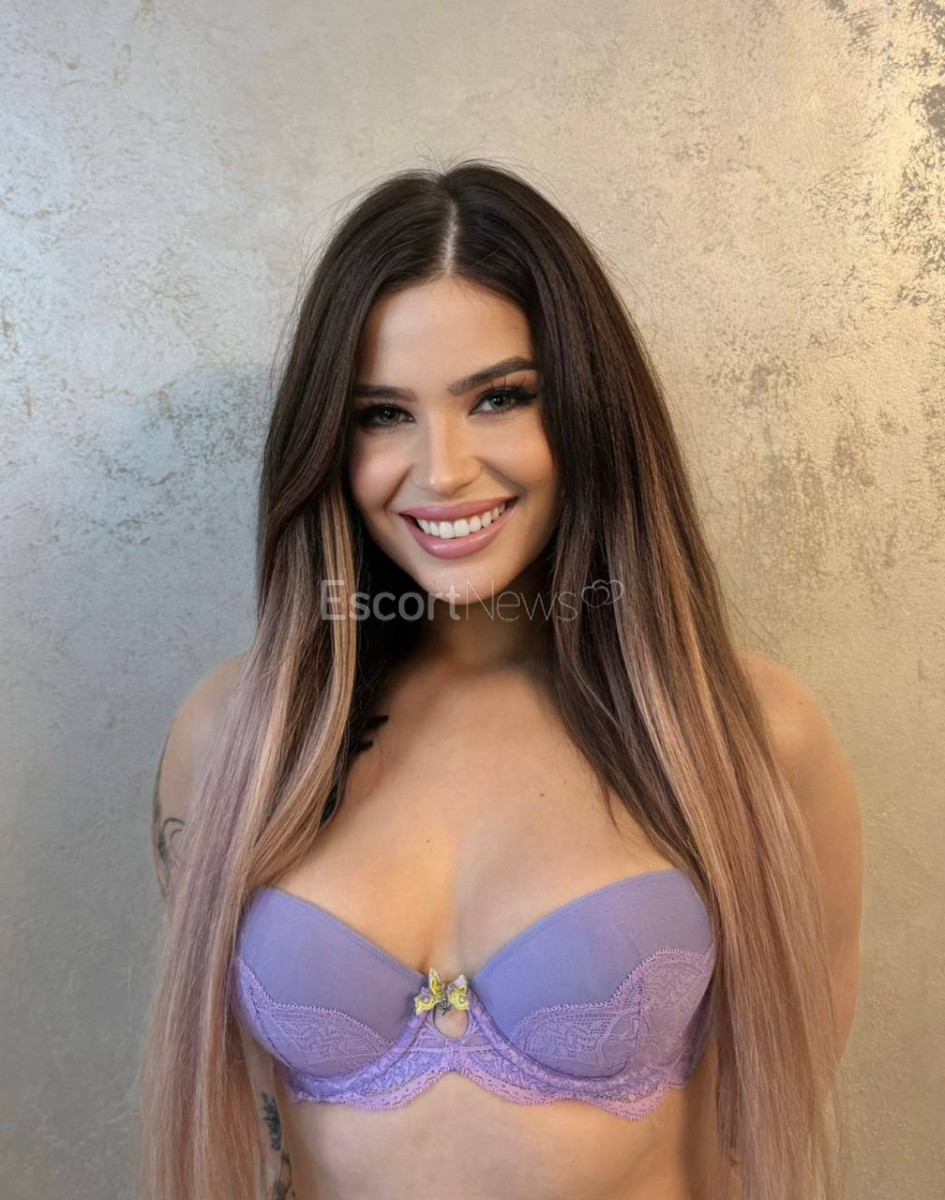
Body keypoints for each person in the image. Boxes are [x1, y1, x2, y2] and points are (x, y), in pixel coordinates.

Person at [138, 159, 863, 1200]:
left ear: (588, 410)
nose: (442, 470)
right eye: (381, 413)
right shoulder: (235, 737)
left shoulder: (747, 735)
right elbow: (253, 1128)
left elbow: (768, 1134)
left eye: (500, 398)